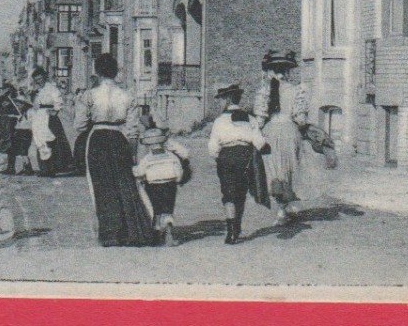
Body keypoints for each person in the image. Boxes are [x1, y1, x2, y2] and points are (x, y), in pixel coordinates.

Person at [78, 52, 157, 246]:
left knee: (101, 185)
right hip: (119, 139)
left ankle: (110, 233)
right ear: (115, 72)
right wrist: (133, 153)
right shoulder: (127, 96)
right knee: (125, 185)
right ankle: (131, 231)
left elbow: (79, 124)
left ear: (97, 72)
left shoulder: (89, 95)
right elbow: (133, 130)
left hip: (97, 138)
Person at [207, 83, 270, 244]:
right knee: (240, 194)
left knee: (228, 194)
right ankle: (237, 228)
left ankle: (230, 232)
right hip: (245, 155)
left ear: (227, 99)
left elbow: (213, 147)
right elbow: (259, 142)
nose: (219, 103)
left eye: (221, 100)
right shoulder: (250, 119)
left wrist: (218, 157)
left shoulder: (220, 121)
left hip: (226, 156)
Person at [258, 49, 309, 224]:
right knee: (290, 168)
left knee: (274, 171)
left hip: (271, 132)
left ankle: (281, 209)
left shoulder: (265, 91)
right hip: (290, 131)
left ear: (271, 71)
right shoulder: (297, 90)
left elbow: (260, 118)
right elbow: (300, 118)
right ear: (287, 71)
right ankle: (290, 207)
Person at [132, 125, 192, 246]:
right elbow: (178, 169)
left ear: (148, 144)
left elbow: (140, 172)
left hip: (153, 186)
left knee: (156, 210)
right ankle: (169, 227)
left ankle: (156, 234)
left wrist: (134, 171)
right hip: (170, 185)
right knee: (168, 208)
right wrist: (178, 180)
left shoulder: (147, 158)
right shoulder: (171, 156)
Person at [28, 68, 74, 176]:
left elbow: (58, 101)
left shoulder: (51, 88)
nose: (39, 81)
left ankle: (53, 168)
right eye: (36, 80)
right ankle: (44, 168)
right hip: (39, 116)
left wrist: (55, 110)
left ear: (44, 77)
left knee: (52, 141)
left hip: (49, 116)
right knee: (40, 141)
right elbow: (35, 104)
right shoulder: (37, 90)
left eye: (40, 78)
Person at [0, 82, 30, 175]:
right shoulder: (0, 98)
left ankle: (27, 167)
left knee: (18, 145)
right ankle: (11, 168)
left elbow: (24, 108)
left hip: (14, 123)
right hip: (4, 124)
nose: (2, 91)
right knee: (8, 146)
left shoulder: (16, 98)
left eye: (4, 90)